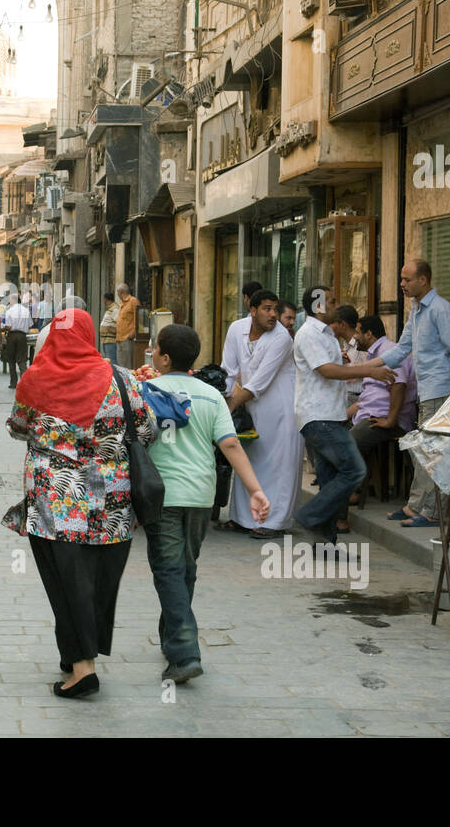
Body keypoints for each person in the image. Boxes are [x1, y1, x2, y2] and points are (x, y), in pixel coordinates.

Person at [3, 308, 157, 697]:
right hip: (112, 504)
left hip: (55, 504)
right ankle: (78, 654)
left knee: (66, 585)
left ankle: (82, 667)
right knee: (100, 585)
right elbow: (147, 429)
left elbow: (19, 428)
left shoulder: (35, 379)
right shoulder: (121, 379)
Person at [147, 324, 270, 683]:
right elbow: (230, 445)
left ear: (165, 357)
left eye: (155, 348)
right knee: (184, 567)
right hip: (201, 495)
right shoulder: (211, 395)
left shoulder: (147, 391)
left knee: (169, 569)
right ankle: (173, 637)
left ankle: (184, 652)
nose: (153, 353)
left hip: (164, 495)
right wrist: (256, 489)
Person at [293, 285, 395, 544]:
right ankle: (308, 514)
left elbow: (340, 368)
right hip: (319, 418)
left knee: (330, 483)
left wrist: (385, 360)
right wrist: (369, 372)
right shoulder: (309, 334)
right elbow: (327, 370)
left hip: (331, 416)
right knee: (353, 470)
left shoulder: (327, 335)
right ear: (318, 306)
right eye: (331, 300)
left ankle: (326, 545)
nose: (337, 304)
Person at [379, 260, 450, 527]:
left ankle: (431, 511)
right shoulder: (417, 310)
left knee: (434, 452)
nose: (402, 285)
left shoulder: (440, 309)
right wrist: (367, 366)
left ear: (424, 280)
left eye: (407, 280)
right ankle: (414, 505)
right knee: (424, 449)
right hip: (428, 389)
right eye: (401, 279)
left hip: (442, 389)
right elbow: (401, 349)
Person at [221, 290, 300, 536]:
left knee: (280, 466)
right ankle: (242, 519)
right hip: (250, 408)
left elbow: (259, 382)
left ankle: (273, 522)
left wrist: (231, 405)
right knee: (249, 461)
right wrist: (222, 398)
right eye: (266, 309)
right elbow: (228, 370)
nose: (273, 315)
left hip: (281, 409)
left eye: (275, 309)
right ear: (253, 310)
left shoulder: (282, 339)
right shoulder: (236, 328)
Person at [345, 316, 417, 518]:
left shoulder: (389, 352)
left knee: (351, 440)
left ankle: (354, 491)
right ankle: (350, 488)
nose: (355, 337)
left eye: (357, 332)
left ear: (369, 334)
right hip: (370, 414)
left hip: (389, 419)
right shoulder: (373, 356)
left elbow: (398, 385)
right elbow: (369, 396)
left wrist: (391, 420)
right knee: (333, 434)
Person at [1, 294, 31, 388]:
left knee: (11, 360)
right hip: (22, 336)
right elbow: (30, 325)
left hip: (12, 336)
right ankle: (25, 382)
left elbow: (8, 326)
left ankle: (13, 383)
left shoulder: (10, 311)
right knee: (22, 359)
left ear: (13, 300)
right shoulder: (26, 311)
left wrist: (2, 329)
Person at [114, 283, 140, 369]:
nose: (118, 295)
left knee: (128, 366)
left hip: (127, 338)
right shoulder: (122, 303)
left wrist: (133, 333)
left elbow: (138, 318)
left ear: (121, 292)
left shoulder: (133, 301)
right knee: (121, 366)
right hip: (119, 338)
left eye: (118, 293)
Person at [98, 291, 119, 359]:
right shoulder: (110, 309)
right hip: (106, 340)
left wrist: (112, 329)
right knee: (108, 360)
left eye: (104, 299)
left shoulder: (115, 309)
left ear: (106, 299)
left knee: (111, 361)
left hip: (110, 340)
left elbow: (119, 322)